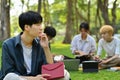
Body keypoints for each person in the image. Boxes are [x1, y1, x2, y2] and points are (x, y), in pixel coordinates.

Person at [0, 11, 70, 80]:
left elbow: (50, 68)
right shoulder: (8, 45)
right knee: (10, 77)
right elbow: (8, 72)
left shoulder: (42, 43)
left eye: (41, 24)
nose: (41, 28)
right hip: (23, 79)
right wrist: (33, 78)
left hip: (39, 78)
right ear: (27, 27)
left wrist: (46, 48)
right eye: (38, 25)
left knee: (65, 73)